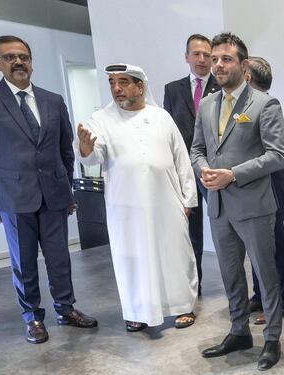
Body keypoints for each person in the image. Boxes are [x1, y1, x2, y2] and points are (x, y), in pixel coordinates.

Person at [0, 35, 97, 344]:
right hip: (12, 197)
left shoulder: (52, 100)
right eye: (9, 57)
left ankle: (66, 309)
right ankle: (32, 316)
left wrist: (68, 189)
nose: (18, 62)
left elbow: (65, 150)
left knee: (60, 258)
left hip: (54, 195)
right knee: (24, 261)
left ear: (31, 61)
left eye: (23, 56)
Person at [190, 32, 284, 370]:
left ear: (243, 65)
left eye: (226, 59)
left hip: (255, 206)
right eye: (214, 59)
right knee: (230, 275)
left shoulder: (264, 104)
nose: (217, 64)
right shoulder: (206, 105)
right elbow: (197, 149)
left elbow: (278, 156)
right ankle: (239, 332)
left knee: (265, 274)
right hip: (218, 207)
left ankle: (272, 339)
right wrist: (203, 169)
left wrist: (232, 174)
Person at [75, 64, 198, 331]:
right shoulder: (102, 120)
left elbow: (181, 159)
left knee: (175, 254)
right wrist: (85, 147)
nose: (116, 88)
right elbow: (95, 155)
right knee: (132, 258)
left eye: (123, 82)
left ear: (140, 86)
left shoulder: (161, 116)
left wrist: (188, 200)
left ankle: (182, 306)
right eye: (112, 83)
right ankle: (136, 311)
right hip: (125, 206)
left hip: (167, 202)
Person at [163, 34, 221, 295]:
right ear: (186, 57)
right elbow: (167, 131)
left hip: (214, 170)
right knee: (190, 233)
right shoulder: (172, 90)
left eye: (206, 55)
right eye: (196, 54)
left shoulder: (221, 88)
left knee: (225, 227)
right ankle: (192, 288)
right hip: (183, 172)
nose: (201, 59)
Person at [245, 56, 284, 325]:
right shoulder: (248, 106)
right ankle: (259, 295)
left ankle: (281, 302)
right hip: (258, 191)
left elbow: (276, 155)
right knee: (257, 246)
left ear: (248, 78)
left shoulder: (267, 107)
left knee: (274, 247)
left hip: (272, 190)